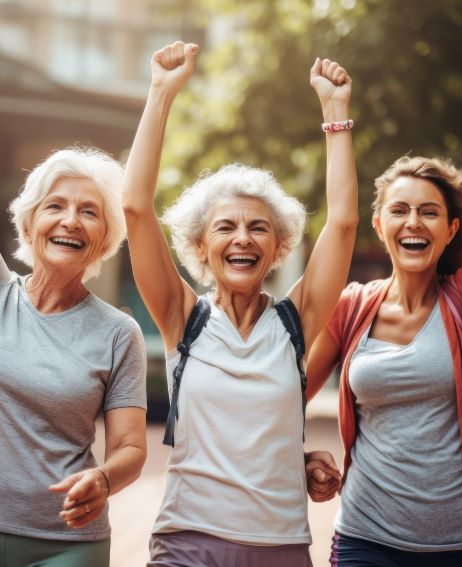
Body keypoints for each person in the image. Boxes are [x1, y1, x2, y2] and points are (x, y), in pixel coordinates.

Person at [304, 17, 462, 567]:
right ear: (379, 224)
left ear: (449, 230)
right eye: (399, 209)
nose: (413, 220)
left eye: (428, 211)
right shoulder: (352, 307)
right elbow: (283, 398)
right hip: (366, 541)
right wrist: (295, 456)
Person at [0, 16, 147, 567]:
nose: (71, 220)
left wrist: (104, 478)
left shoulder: (119, 332)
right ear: (31, 222)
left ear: (104, 237)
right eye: (56, 206)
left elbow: (131, 448)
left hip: (65, 544)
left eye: (89, 211)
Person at [121, 40, 356, 566]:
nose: (243, 238)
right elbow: (136, 208)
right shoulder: (184, 318)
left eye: (259, 228)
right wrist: (160, 92)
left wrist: (335, 112)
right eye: (225, 227)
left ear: (278, 248)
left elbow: (342, 223)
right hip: (186, 542)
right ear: (201, 246)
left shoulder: (296, 322)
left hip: (281, 545)